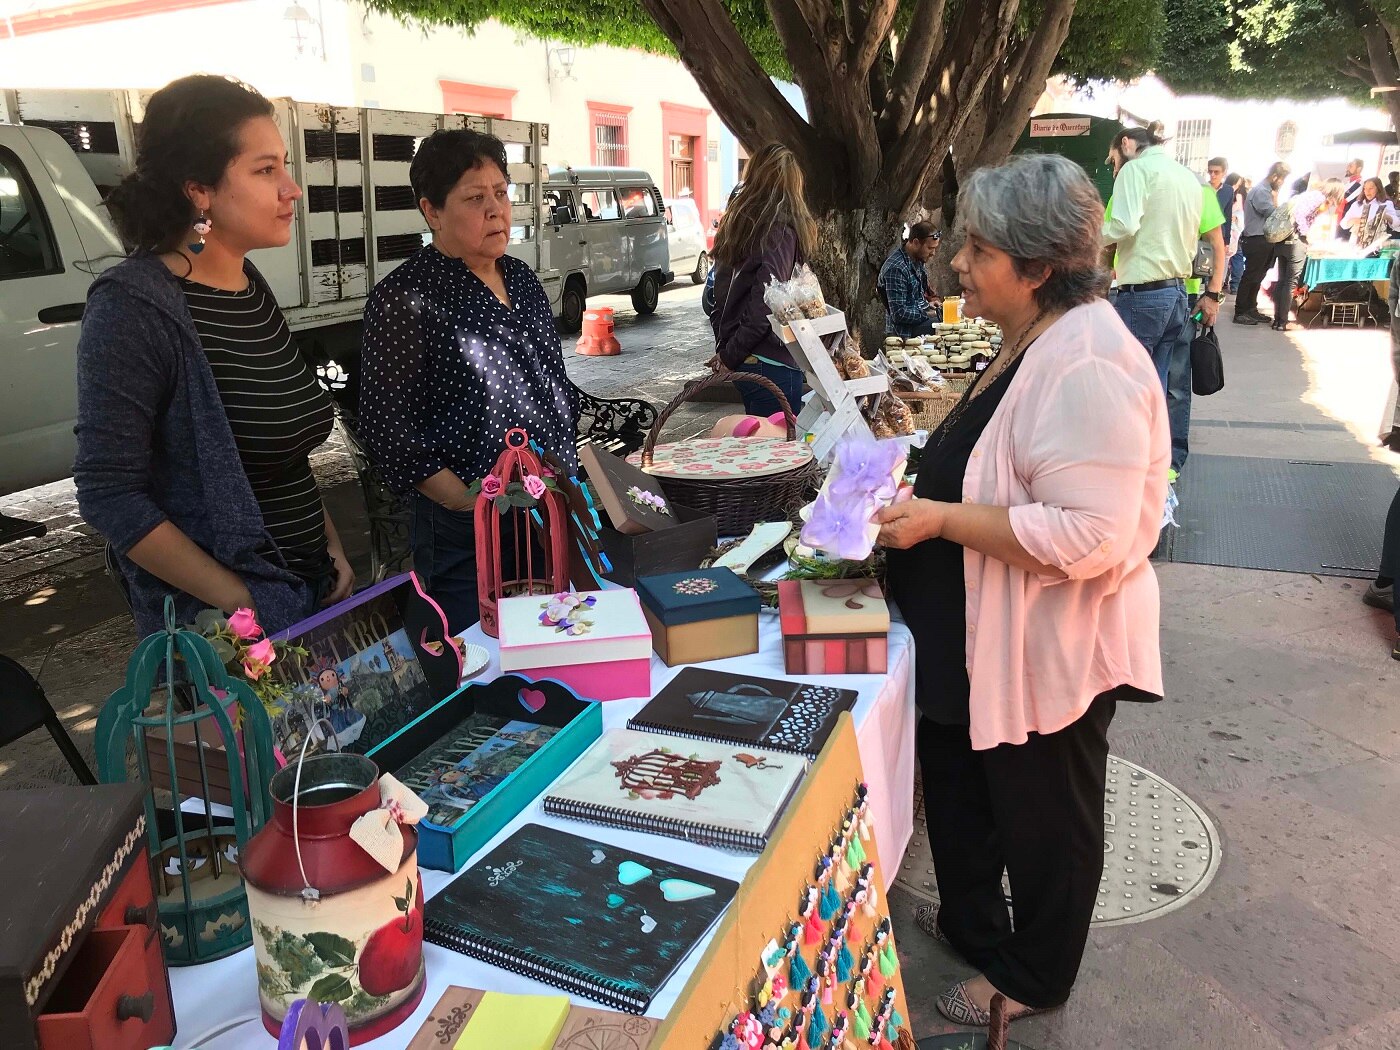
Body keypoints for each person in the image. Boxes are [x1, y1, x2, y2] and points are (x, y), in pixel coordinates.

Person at [877, 153, 1167, 1028]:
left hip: (1047, 646)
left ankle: (1034, 977)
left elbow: (1091, 533)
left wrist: (939, 521)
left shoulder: (1087, 363)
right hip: (973, 638)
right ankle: (975, 927)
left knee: (1047, 821)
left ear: (1038, 267)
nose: (958, 263)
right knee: (966, 794)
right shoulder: (1032, 335)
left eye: (978, 248)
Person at [73, 75, 353, 638]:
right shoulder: (134, 307)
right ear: (199, 190)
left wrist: (331, 548)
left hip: (312, 593)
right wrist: (246, 602)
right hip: (226, 633)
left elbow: (281, 453)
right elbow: (109, 493)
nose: (291, 189)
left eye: (284, 167)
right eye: (265, 169)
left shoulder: (249, 286)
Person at [357, 128, 579, 634]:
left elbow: (551, 379)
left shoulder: (520, 278)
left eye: (501, 193)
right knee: (474, 654)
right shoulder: (407, 297)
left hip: (544, 508)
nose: (496, 209)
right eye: (475, 198)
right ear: (431, 211)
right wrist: (462, 500)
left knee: (549, 637)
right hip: (464, 524)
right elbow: (387, 426)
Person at [1102, 125, 1220, 390]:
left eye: (1113, 159)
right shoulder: (1187, 176)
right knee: (1156, 387)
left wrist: (1087, 238)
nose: (1114, 169)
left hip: (1144, 294)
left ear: (1126, 144)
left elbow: (1124, 225)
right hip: (1177, 293)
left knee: (1127, 388)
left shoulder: (1134, 170)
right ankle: (1157, 433)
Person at [709, 143, 819, 417]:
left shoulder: (740, 224)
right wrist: (729, 354)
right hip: (771, 361)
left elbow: (715, 294)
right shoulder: (777, 230)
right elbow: (767, 303)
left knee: (759, 448)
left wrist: (728, 350)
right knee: (777, 452)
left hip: (752, 358)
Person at [1235, 162, 1294, 329]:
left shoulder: (1265, 190)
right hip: (1256, 239)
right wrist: (1277, 201)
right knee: (1251, 276)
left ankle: (1250, 308)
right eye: (1282, 179)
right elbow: (1273, 214)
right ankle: (1240, 311)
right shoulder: (1261, 191)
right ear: (1275, 176)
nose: (1282, 183)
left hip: (1263, 239)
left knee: (1258, 276)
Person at [878, 222, 941, 337]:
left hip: (920, 320)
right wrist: (929, 314)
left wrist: (929, 305)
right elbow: (899, 314)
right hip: (904, 330)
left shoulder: (917, 259)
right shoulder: (896, 269)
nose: (933, 253)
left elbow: (916, 299)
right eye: (930, 248)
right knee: (945, 326)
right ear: (916, 242)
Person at [1341, 177, 1400, 250]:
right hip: (1356, 244)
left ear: (1378, 189)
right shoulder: (1357, 204)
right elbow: (1343, 224)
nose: (1367, 191)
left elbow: (1396, 222)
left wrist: (1385, 216)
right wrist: (1354, 220)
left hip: (1377, 244)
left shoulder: (1386, 203)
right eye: (1365, 189)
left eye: (1371, 188)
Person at [1339, 158, 1365, 239]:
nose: (1348, 168)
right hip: (1341, 218)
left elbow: (1344, 199)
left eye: (1351, 166)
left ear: (1359, 169)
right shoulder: (1347, 181)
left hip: (1348, 221)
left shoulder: (1359, 183)